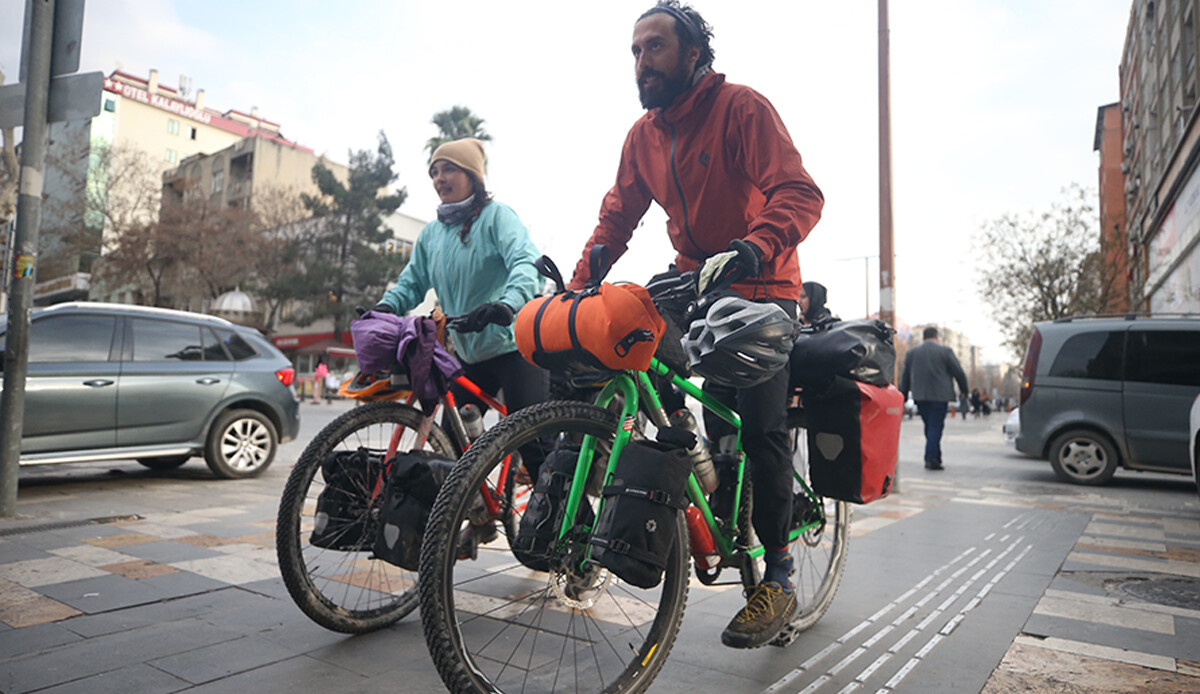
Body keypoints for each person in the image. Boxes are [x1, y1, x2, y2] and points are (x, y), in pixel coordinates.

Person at [566, 1, 824, 649]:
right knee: (645, 355)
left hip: (761, 284)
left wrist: (752, 247)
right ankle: (698, 462)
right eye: (634, 50)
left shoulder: (741, 108)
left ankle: (780, 577)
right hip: (693, 281)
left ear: (692, 54)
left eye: (654, 47)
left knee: (759, 429)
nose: (641, 60)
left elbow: (799, 192)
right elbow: (616, 221)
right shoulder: (643, 135)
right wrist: (576, 289)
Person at [372, 138, 549, 554]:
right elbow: (412, 282)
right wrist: (382, 308)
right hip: (468, 354)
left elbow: (526, 261)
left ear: (472, 175)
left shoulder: (496, 217)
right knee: (450, 433)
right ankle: (481, 515)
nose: (439, 178)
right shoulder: (433, 234)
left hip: (514, 347)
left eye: (448, 169)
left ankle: (564, 530)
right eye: (434, 171)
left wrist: (507, 303)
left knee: (535, 441)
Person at [899, 326, 969, 470]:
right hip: (940, 396)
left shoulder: (912, 353)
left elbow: (905, 377)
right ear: (937, 337)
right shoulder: (945, 352)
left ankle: (935, 456)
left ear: (924, 337)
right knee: (935, 427)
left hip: (921, 396)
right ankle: (931, 458)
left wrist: (903, 396)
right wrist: (964, 391)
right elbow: (959, 372)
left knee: (930, 426)